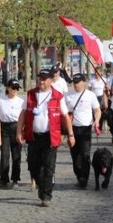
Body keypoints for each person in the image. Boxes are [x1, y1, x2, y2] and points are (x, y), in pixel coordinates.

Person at [17, 69, 75, 207]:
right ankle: (41, 184)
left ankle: (46, 195)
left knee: (48, 167)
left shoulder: (57, 96)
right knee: (33, 166)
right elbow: (23, 114)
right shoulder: (31, 94)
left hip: (51, 137)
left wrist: (70, 134)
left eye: (44, 79)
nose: (41, 81)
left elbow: (65, 116)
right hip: (33, 136)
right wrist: (19, 131)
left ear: (50, 80)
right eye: (39, 79)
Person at [64, 73, 101, 187]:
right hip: (72, 128)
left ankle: (84, 178)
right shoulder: (67, 95)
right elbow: (64, 112)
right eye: (74, 83)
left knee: (85, 154)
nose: (76, 85)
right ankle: (79, 175)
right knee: (74, 154)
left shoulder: (90, 95)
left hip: (85, 128)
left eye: (78, 83)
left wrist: (97, 120)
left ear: (83, 83)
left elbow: (97, 110)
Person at [0, 79, 23, 189]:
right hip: (4, 128)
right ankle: (3, 179)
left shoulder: (21, 101)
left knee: (16, 155)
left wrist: (21, 131)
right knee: (5, 154)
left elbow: (23, 117)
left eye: (17, 88)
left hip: (16, 127)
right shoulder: (1, 99)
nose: (15, 91)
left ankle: (15, 178)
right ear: (8, 88)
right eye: (13, 88)